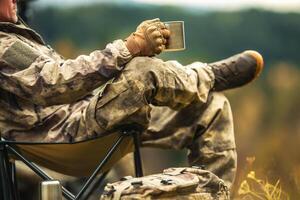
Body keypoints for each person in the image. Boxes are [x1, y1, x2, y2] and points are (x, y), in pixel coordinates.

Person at [0, 0, 263, 189]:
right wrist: (129, 48)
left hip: (83, 125)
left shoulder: (14, 36)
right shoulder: (3, 45)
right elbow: (55, 82)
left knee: (210, 107)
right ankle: (209, 76)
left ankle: (210, 194)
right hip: (65, 140)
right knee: (140, 70)